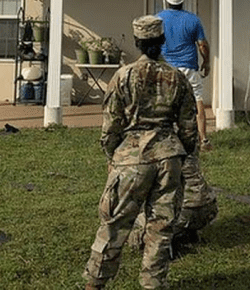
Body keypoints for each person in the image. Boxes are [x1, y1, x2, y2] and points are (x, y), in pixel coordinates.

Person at [83, 16, 198, 290]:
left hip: (131, 160)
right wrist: (183, 153)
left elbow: (110, 127)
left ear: (137, 43)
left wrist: (114, 157)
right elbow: (189, 128)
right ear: (162, 42)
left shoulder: (123, 76)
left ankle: (95, 283)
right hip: (168, 159)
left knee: (115, 224)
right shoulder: (177, 78)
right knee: (161, 228)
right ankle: (153, 284)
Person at [158, 0, 212, 149]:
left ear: (166, 0)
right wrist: (206, 62)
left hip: (167, 68)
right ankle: (203, 140)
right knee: (197, 100)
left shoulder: (158, 19)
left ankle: (165, 140)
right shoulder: (193, 20)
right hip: (188, 67)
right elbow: (202, 45)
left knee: (166, 103)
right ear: (183, 0)